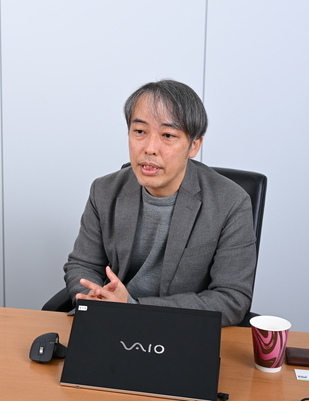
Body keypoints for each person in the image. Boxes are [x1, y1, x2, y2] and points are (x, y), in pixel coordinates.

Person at [63, 79, 256, 326]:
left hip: (179, 330)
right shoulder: (104, 191)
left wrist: (134, 308)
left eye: (168, 135)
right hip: (112, 324)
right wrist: (94, 298)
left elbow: (232, 298)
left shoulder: (231, 203)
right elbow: (82, 264)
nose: (150, 148)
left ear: (194, 145)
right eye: (140, 132)